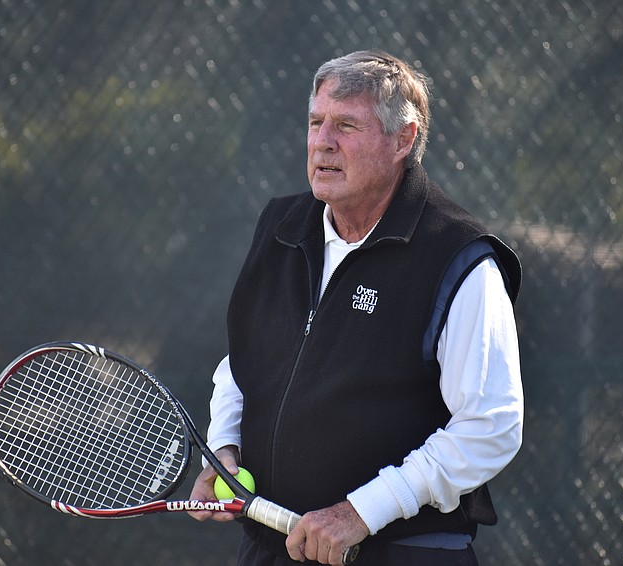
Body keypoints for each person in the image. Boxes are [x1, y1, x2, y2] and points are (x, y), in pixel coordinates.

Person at [188, 49, 523, 566]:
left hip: (403, 554)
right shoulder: (280, 226)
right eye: (316, 122)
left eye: (346, 125)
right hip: (269, 548)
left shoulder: (459, 258)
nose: (322, 141)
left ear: (403, 140)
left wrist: (361, 512)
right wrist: (225, 447)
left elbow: (491, 425)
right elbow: (244, 363)